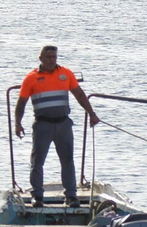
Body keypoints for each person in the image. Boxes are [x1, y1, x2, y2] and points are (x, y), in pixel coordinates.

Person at [14, 45, 100, 206]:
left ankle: (71, 196)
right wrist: (18, 124)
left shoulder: (66, 74)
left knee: (67, 160)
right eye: (48, 57)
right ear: (40, 58)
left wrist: (92, 114)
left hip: (63, 124)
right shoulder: (31, 78)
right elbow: (21, 104)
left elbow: (79, 95)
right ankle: (37, 196)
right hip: (42, 125)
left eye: (54, 57)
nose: (51, 60)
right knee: (37, 161)